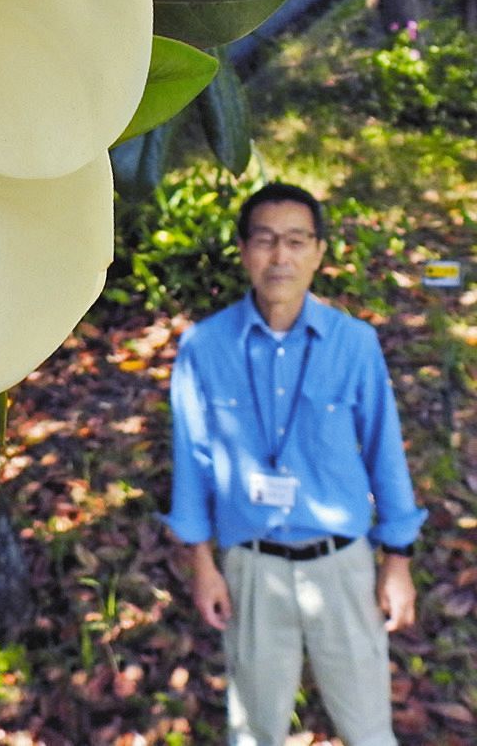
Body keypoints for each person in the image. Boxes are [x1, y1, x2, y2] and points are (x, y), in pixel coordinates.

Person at [166, 182, 426, 746]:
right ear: (243, 250)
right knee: (255, 729)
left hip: (342, 567)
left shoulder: (354, 344)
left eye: (295, 241)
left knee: (367, 726)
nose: (279, 256)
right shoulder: (203, 348)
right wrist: (203, 563)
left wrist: (398, 560)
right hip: (251, 569)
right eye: (264, 240)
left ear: (318, 252)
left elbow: (386, 450)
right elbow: (191, 461)